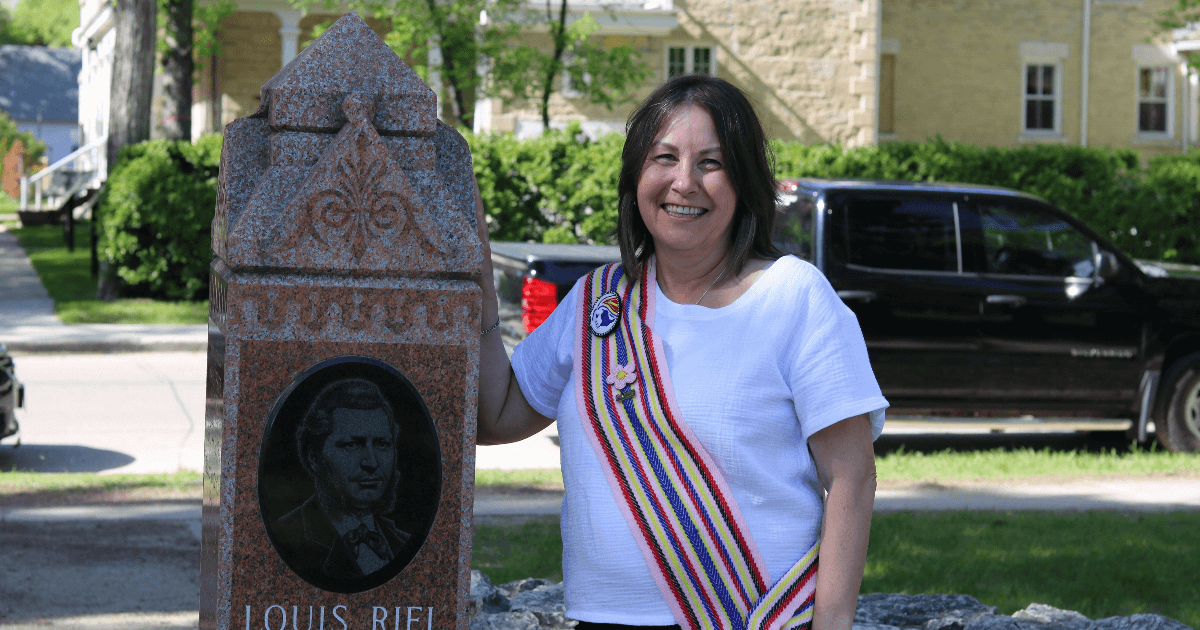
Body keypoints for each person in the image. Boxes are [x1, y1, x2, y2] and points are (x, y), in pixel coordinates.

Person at [474, 74, 887, 630]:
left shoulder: (795, 297)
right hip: (605, 620)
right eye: (663, 157)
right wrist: (471, 266)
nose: (683, 182)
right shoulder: (596, 304)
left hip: (757, 618)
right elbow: (495, 415)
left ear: (744, 181)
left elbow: (852, 476)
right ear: (635, 176)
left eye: (711, 163)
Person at [273, 377, 411, 583]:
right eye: (351, 445)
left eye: (382, 444)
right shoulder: (287, 536)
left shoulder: (402, 542)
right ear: (314, 458)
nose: (371, 463)